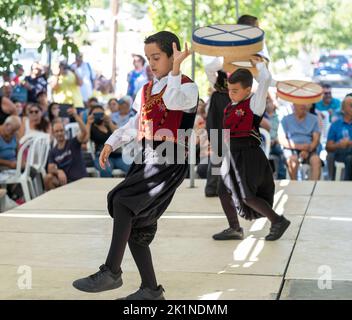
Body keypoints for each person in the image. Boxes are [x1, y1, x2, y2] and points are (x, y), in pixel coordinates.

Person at [72, 31, 198, 300]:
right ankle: (151, 290)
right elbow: (138, 122)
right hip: (148, 155)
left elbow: (173, 101)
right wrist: (111, 142)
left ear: (172, 55)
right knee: (134, 225)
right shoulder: (147, 89)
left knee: (123, 201)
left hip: (169, 158)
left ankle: (112, 272)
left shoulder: (187, 87)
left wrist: (176, 69)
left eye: (157, 57)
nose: (151, 63)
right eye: (148, 58)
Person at [218, 60, 290, 242]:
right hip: (231, 155)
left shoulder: (254, 104)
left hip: (248, 154)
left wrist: (260, 66)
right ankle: (234, 228)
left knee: (247, 196)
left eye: (235, 91)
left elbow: (265, 80)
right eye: (229, 90)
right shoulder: (229, 107)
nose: (230, 94)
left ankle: (278, 221)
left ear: (248, 90)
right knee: (223, 190)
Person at [44, 108, 88, 190]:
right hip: (66, 184)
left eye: (61, 130)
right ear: (53, 134)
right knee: (48, 178)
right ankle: (55, 201)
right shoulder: (53, 151)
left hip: (81, 181)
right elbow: (50, 168)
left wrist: (75, 115)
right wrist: (58, 171)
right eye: (57, 131)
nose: (59, 133)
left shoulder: (73, 142)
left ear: (65, 131)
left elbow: (84, 132)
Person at [279, 103, 321, 180]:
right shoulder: (285, 119)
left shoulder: (314, 119)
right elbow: (281, 140)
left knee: (316, 161)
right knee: (292, 160)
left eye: (304, 102)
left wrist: (307, 150)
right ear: (294, 104)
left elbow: (316, 140)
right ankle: (295, 187)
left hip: (309, 148)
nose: (303, 105)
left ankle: (314, 189)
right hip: (291, 149)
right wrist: (299, 147)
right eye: (300, 102)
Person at [86, 105, 130, 176]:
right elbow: (85, 140)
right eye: (95, 114)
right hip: (102, 156)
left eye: (101, 114)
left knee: (131, 168)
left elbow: (119, 135)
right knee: (106, 171)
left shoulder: (110, 123)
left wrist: (109, 122)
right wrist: (88, 123)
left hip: (117, 156)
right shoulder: (92, 127)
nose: (98, 116)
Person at [326, 94, 352, 180]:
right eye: (351, 105)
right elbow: (328, 147)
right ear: (343, 109)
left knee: (350, 159)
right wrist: (339, 145)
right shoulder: (336, 124)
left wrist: (349, 143)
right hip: (340, 153)